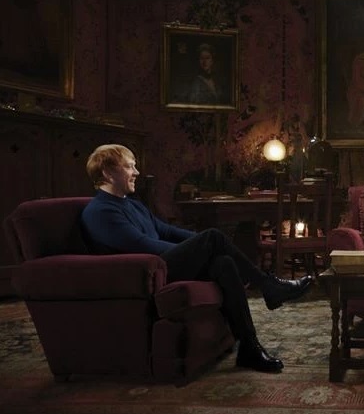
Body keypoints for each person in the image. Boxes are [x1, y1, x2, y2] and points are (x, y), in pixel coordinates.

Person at [80, 144, 313, 373]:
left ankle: (249, 347)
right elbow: (141, 245)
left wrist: (202, 245)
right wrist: (201, 246)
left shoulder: (133, 204)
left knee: (223, 262)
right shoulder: (100, 211)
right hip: (145, 274)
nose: (136, 172)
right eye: (129, 166)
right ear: (108, 173)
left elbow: (165, 230)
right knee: (212, 238)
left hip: (161, 265)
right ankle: (268, 286)